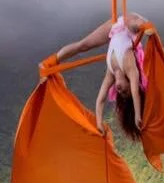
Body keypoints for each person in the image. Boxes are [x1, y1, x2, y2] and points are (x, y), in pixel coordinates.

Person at [53, 12, 150, 140]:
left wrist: (99, 123)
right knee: (137, 25)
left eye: (120, 93)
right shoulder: (130, 67)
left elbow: (101, 99)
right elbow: (136, 92)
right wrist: (138, 115)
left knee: (83, 45)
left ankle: (49, 64)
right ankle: (147, 25)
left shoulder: (111, 73)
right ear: (130, 84)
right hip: (131, 26)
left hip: (114, 30)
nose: (121, 91)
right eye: (126, 91)